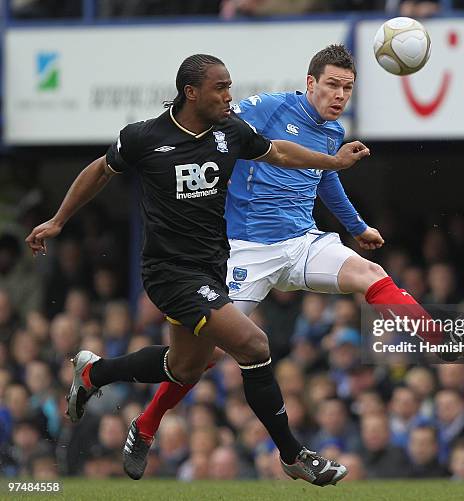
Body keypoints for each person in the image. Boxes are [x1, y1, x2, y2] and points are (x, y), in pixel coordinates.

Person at [132, 44, 464, 478]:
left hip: (302, 242)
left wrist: (356, 227)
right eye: (332, 85)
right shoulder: (268, 107)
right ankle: (146, 425)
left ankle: (442, 343)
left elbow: (326, 179)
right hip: (246, 249)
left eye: (348, 89)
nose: (339, 96)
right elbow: (218, 127)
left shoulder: (333, 133)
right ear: (310, 83)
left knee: (370, 273)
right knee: (200, 360)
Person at [25, 53, 371, 486]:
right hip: (170, 272)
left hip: (213, 266)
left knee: (185, 368)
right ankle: (293, 454)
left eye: (230, 86)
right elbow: (100, 170)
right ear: (191, 93)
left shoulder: (230, 132)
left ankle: (94, 372)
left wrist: (333, 163)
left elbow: (279, 151)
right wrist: (58, 220)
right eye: (221, 88)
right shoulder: (145, 137)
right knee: (253, 345)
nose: (230, 96)